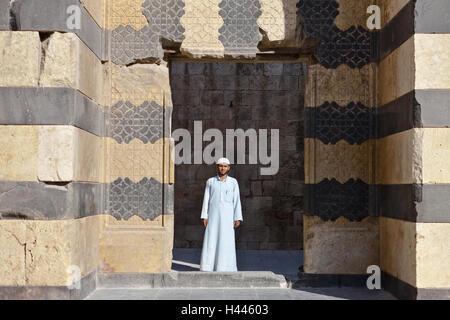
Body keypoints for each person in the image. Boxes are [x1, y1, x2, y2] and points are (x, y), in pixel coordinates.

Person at [199, 157, 243, 272]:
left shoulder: (233, 182)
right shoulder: (210, 181)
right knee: (211, 239)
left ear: (228, 168)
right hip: (213, 216)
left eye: (225, 166)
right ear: (217, 167)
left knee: (226, 240)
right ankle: (208, 266)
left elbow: (237, 200)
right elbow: (206, 199)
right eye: (220, 166)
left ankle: (227, 267)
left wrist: (237, 217)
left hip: (228, 217)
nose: (222, 168)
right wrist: (205, 216)